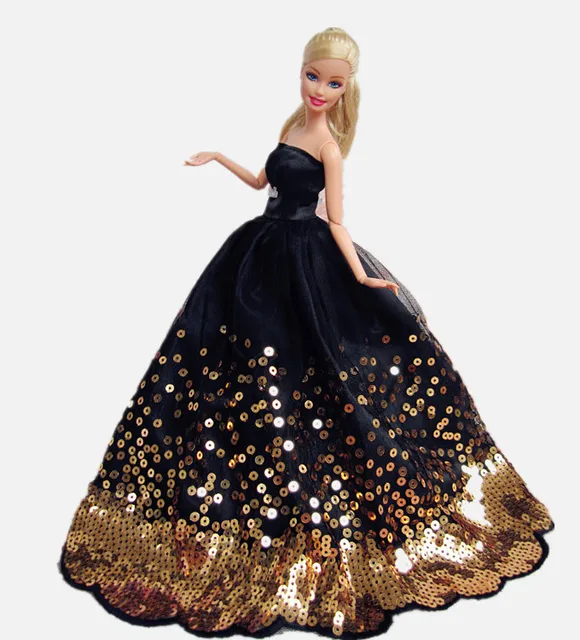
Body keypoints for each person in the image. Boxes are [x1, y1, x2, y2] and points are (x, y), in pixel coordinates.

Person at [59, 26, 554, 639]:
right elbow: (261, 184)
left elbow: (337, 221)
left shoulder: (330, 147)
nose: (320, 89)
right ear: (300, 73)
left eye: (333, 82)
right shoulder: (293, 127)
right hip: (256, 253)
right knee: (232, 359)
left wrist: (362, 277)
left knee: (316, 363)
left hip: (306, 257)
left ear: (348, 88)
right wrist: (218, 157)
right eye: (312, 76)